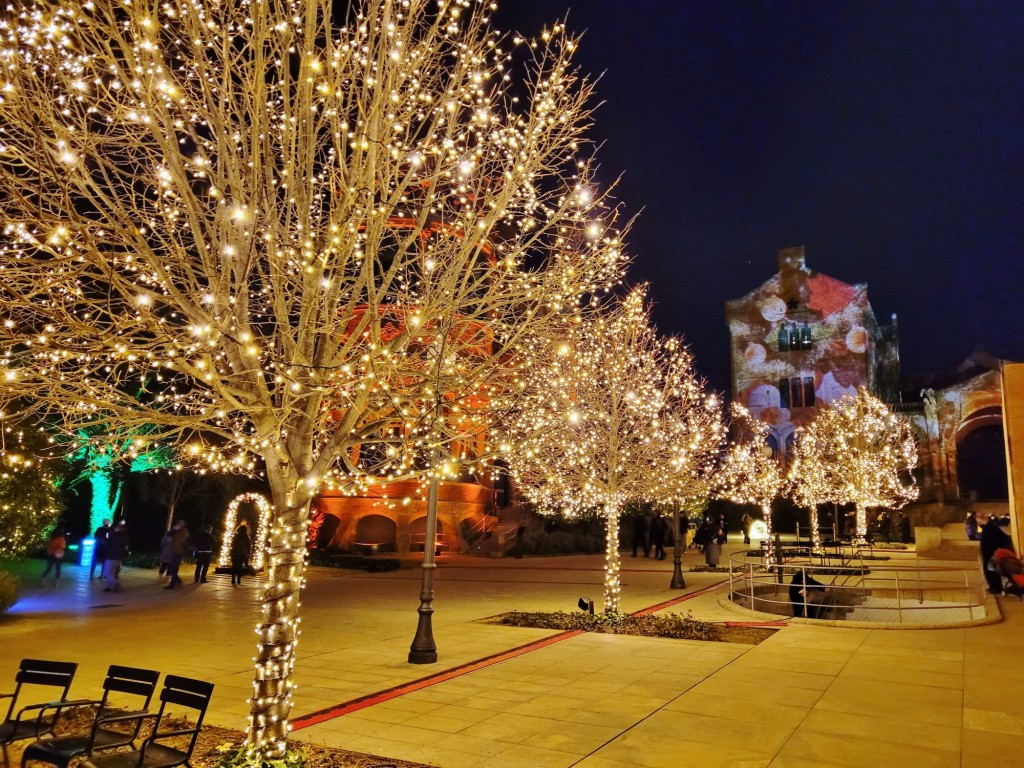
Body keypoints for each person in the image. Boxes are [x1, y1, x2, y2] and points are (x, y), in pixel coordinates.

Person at [980, 516, 1013, 594]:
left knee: (991, 570)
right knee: (990, 570)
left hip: (992, 554)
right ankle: (993, 587)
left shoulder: (990, 529)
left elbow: (997, 540)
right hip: (989, 554)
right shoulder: (989, 529)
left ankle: (996, 588)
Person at [162, 520, 190, 589]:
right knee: (173, 567)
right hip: (173, 551)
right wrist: (173, 530)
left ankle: (172, 584)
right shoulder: (174, 530)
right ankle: (177, 580)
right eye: (178, 523)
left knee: (174, 567)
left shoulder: (184, 532)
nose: (178, 525)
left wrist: (173, 541)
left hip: (178, 552)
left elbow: (180, 541)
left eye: (180, 524)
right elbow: (168, 535)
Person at [103, 521, 127, 592]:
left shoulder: (114, 535)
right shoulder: (122, 536)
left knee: (107, 572)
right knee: (112, 573)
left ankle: (115, 584)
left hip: (111, 556)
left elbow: (109, 544)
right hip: (117, 557)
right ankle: (109, 587)